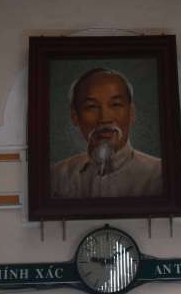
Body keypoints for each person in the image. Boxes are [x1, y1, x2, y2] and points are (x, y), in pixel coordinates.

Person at [50, 67, 163, 198]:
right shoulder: (57, 176)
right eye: (91, 106)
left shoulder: (158, 175)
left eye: (115, 104)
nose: (104, 118)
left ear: (131, 113)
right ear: (75, 116)